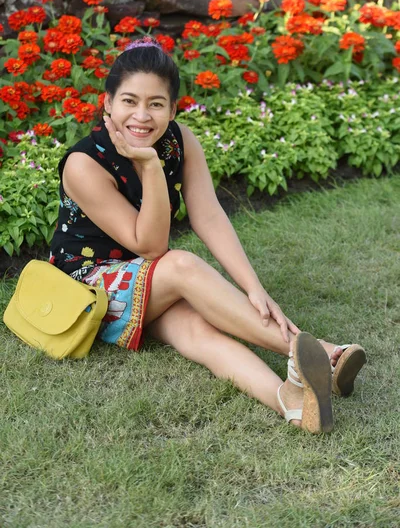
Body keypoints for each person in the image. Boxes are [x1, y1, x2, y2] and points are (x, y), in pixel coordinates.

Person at [50, 36, 366, 434]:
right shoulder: (84, 163)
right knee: (180, 264)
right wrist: (148, 167)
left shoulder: (180, 140)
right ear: (107, 103)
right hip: (90, 293)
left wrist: (253, 287)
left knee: (198, 332)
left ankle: (292, 404)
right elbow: (150, 246)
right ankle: (321, 354)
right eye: (129, 101)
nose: (142, 116)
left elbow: (209, 216)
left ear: (173, 108)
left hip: (145, 280)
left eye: (156, 104)